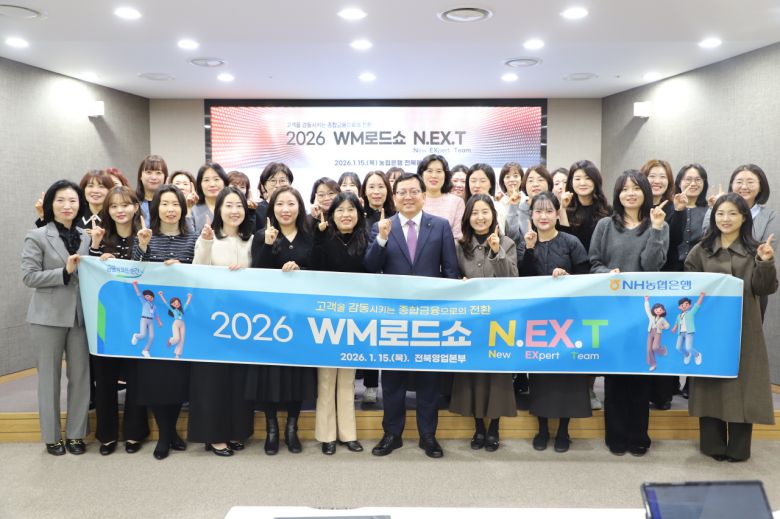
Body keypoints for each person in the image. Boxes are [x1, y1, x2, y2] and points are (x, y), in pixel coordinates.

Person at [364, 172, 459, 458]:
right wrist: (381, 240)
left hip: (430, 316)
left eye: (413, 191)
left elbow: (450, 271)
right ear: (394, 198)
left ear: (423, 195)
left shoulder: (440, 226)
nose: (408, 197)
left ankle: (428, 436)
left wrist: (447, 311)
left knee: (429, 380)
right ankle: (392, 434)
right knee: (393, 379)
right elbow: (370, 268)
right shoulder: (381, 227)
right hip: (394, 317)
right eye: (402, 192)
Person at [686, 193, 777, 461]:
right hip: (709, 328)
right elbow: (689, 287)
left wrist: (766, 262)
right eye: (720, 213)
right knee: (710, 383)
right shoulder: (700, 250)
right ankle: (712, 444)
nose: (726, 219)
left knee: (743, 384)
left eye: (733, 213)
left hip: (745, 328)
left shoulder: (755, 249)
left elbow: (764, 288)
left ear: (744, 217)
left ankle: (738, 447)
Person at [589, 170, 669, 457]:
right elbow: (594, 262)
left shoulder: (659, 224)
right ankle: (616, 435)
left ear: (645, 192)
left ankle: (638, 436)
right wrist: (607, 273)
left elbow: (652, 265)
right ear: (617, 194)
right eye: (625, 189)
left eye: (636, 188)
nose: (630, 194)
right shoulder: (604, 225)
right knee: (615, 375)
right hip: (613, 309)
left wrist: (656, 229)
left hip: (643, 313)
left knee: (640, 374)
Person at [22, 180, 90, 456]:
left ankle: (76, 434)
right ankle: (51, 437)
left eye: (72, 200)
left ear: (80, 204)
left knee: (81, 377)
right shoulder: (37, 235)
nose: (67, 206)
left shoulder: (86, 236)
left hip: (80, 317)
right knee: (49, 379)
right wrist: (63, 272)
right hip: (47, 318)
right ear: (50, 204)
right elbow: (29, 277)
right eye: (60, 200)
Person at [520, 192, 591, 453]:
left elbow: (585, 278)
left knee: (568, 376)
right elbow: (522, 280)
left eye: (549, 211)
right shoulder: (525, 242)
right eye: (538, 211)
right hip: (537, 321)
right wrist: (529, 249)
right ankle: (542, 429)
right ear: (531, 215)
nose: (543, 216)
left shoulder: (571, 242)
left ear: (557, 214)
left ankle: (563, 430)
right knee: (540, 376)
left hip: (568, 320)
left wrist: (567, 276)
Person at [248, 186, 317, 455]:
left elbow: (321, 272)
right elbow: (256, 273)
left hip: (300, 316)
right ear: (271, 208)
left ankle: (291, 427)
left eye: (291, 203)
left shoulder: (311, 236)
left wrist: (301, 270)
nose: (285, 209)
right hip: (269, 318)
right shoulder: (261, 235)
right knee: (269, 374)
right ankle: (272, 429)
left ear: (299, 207)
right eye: (279, 204)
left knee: (296, 374)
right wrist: (267, 245)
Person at [131, 185, 197, 460]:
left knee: (178, 379)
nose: (170, 209)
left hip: (181, 320)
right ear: (155, 208)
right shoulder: (146, 236)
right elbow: (134, 272)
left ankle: (169, 433)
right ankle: (165, 435)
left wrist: (182, 269)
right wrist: (143, 246)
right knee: (156, 379)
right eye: (165, 204)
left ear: (183, 208)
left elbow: (202, 274)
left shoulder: (193, 238)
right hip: (154, 321)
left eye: (176, 204)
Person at [190, 186, 256, 457]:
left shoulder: (251, 240)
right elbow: (197, 272)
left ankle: (236, 431)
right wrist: (205, 243)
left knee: (238, 379)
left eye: (239, 205)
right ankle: (215, 436)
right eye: (228, 205)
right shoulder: (208, 237)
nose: (234, 211)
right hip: (212, 321)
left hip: (243, 321)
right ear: (219, 210)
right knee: (212, 380)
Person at [449, 194, 517, 452]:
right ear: (468, 218)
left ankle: (494, 427)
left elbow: (512, 279)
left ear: (493, 215)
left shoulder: (507, 243)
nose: (480, 217)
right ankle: (478, 426)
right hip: (470, 320)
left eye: (485, 212)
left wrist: (497, 251)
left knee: (497, 374)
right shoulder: (459, 245)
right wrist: (459, 284)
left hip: (499, 320)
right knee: (472, 373)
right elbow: (451, 277)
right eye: (475, 213)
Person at [88, 186, 150, 454]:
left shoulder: (145, 235)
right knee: (105, 378)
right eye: (113, 206)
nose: (119, 210)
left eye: (125, 205)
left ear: (136, 207)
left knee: (137, 378)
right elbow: (88, 275)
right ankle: (107, 435)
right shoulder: (101, 237)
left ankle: (135, 433)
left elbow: (146, 273)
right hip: (106, 319)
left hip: (138, 318)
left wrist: (144, 247)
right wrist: (95, 250)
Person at [311, 192, 367, 454]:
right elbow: (312, 267)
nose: (346, 214)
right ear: (331, 214)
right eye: (340, 210)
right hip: (326, 318)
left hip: (355, 318)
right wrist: (319, 236)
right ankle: (327, 436)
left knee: (347, 379)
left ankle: (348, 434)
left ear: (359, 214)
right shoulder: (322, 238)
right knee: (325, 379)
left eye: (351, 209)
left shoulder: (367, 239)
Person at [560, 160, 612, 411]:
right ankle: (570, 388)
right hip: (568, 279)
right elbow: (560, 240)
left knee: (591, 337)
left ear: (596, 181)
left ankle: (589, 388)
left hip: (596, 279)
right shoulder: (565, 209)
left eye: (587, 178)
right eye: (577, 178)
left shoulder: (607, 211)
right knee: (569, 336)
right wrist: (562, 209)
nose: (582, 183)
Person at [704, 164, 776, 318]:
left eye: (750, 182)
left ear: (761, 187)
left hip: (752, 284)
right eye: (739, 182)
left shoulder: (770, 215)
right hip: (718, 282)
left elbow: (766, 249)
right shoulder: (717, 210)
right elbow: (706, 236)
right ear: (732, 185)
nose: (744, 187)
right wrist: (715, 207)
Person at [358, 171, 396, 404]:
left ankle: (392, 385)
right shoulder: (357, 215)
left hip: (392, 284)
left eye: (380, 186)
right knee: (369, 336)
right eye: (371, 187)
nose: (376, 191)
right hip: (365, 283)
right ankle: (370, 384)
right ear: (364, 191)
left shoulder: (396, 214)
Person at [418, 154, 466, 239]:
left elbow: (457, 236)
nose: (434, 175)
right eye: (429, 171)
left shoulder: (456, 202)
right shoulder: (414, 199)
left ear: (445, 175)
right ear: (421, 174)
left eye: (439, 171)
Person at [466, 163, 507, 234]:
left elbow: (501, 235)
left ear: (491, 184)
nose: (477, 185)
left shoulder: (498, 207)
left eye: (482, 181)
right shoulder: (465, 205)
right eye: (473, 181)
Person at [254, 162, 294, 232]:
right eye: (273, 181)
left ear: (290, 184)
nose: (278, 185)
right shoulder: (256, 210)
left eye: (282, 181)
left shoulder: (295, 208)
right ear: (264, 185)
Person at [191, 163, 229, 234]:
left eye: (216, 179)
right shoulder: (193, 210)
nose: (212, 184)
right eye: (206, 180)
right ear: (200, 184)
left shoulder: (232, 207)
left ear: (224, 182)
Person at [135, 154, 169, 226]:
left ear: (165, 177)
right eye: (148, 172)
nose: (154, 177)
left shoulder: (171, 202)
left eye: (158, 173)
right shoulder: (133, 201)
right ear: (140, 176)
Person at [643, 297, 670, 372]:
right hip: (650, 332)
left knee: (655, 347)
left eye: (660, 310)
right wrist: (646, 301)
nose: (658, 311)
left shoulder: (662, 319)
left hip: (658, 332)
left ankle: (663, 350)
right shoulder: (651, 317)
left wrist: (662, 327)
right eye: (656, 310)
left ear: (663, 311)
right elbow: (647, 309)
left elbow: (667, 325)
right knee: (649, 349)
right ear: (654, 310)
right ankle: (653, 364)